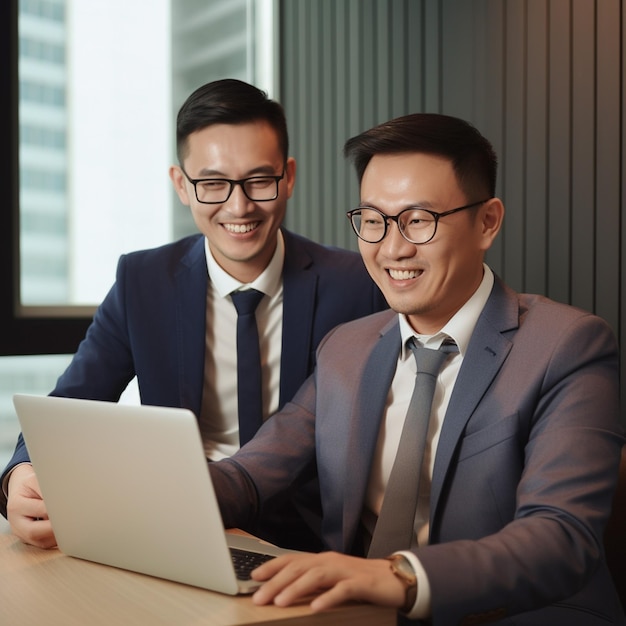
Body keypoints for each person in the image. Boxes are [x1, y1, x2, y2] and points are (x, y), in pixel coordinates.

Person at [206, 113, 625, 624]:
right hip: (355, 615)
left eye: (419, 219)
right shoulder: (347, 348)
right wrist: (160, 494)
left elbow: (561, 536)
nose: (392, 247)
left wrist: (401, 576)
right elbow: (251, 474)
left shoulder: (567, 345)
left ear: (487, 221)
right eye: (374, 219)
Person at [0, 79, 387, 551]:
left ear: (288, 177)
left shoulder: (357, 285)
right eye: (213, 184)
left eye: (259, 180)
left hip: (306, 544)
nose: (238, 205)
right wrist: (20, 473)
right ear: (182, 185)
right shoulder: (141, 281)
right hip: (175, 529)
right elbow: (67, 407)